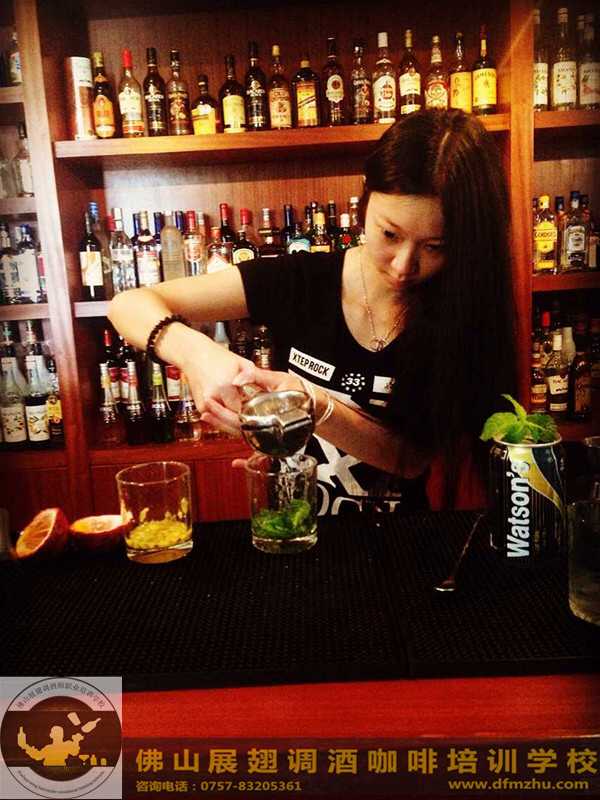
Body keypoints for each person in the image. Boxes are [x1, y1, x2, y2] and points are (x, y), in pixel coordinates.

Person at [108, 109, 517, 515]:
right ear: (365, 197)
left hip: (401, 539)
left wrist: (314, 406)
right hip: (295, 528)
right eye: (390, 234)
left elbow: (410, 460)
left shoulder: (463, 311)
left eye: (435, 247)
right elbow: (128, 305)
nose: (403, 265)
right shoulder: (301, 279)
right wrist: (197, 354)